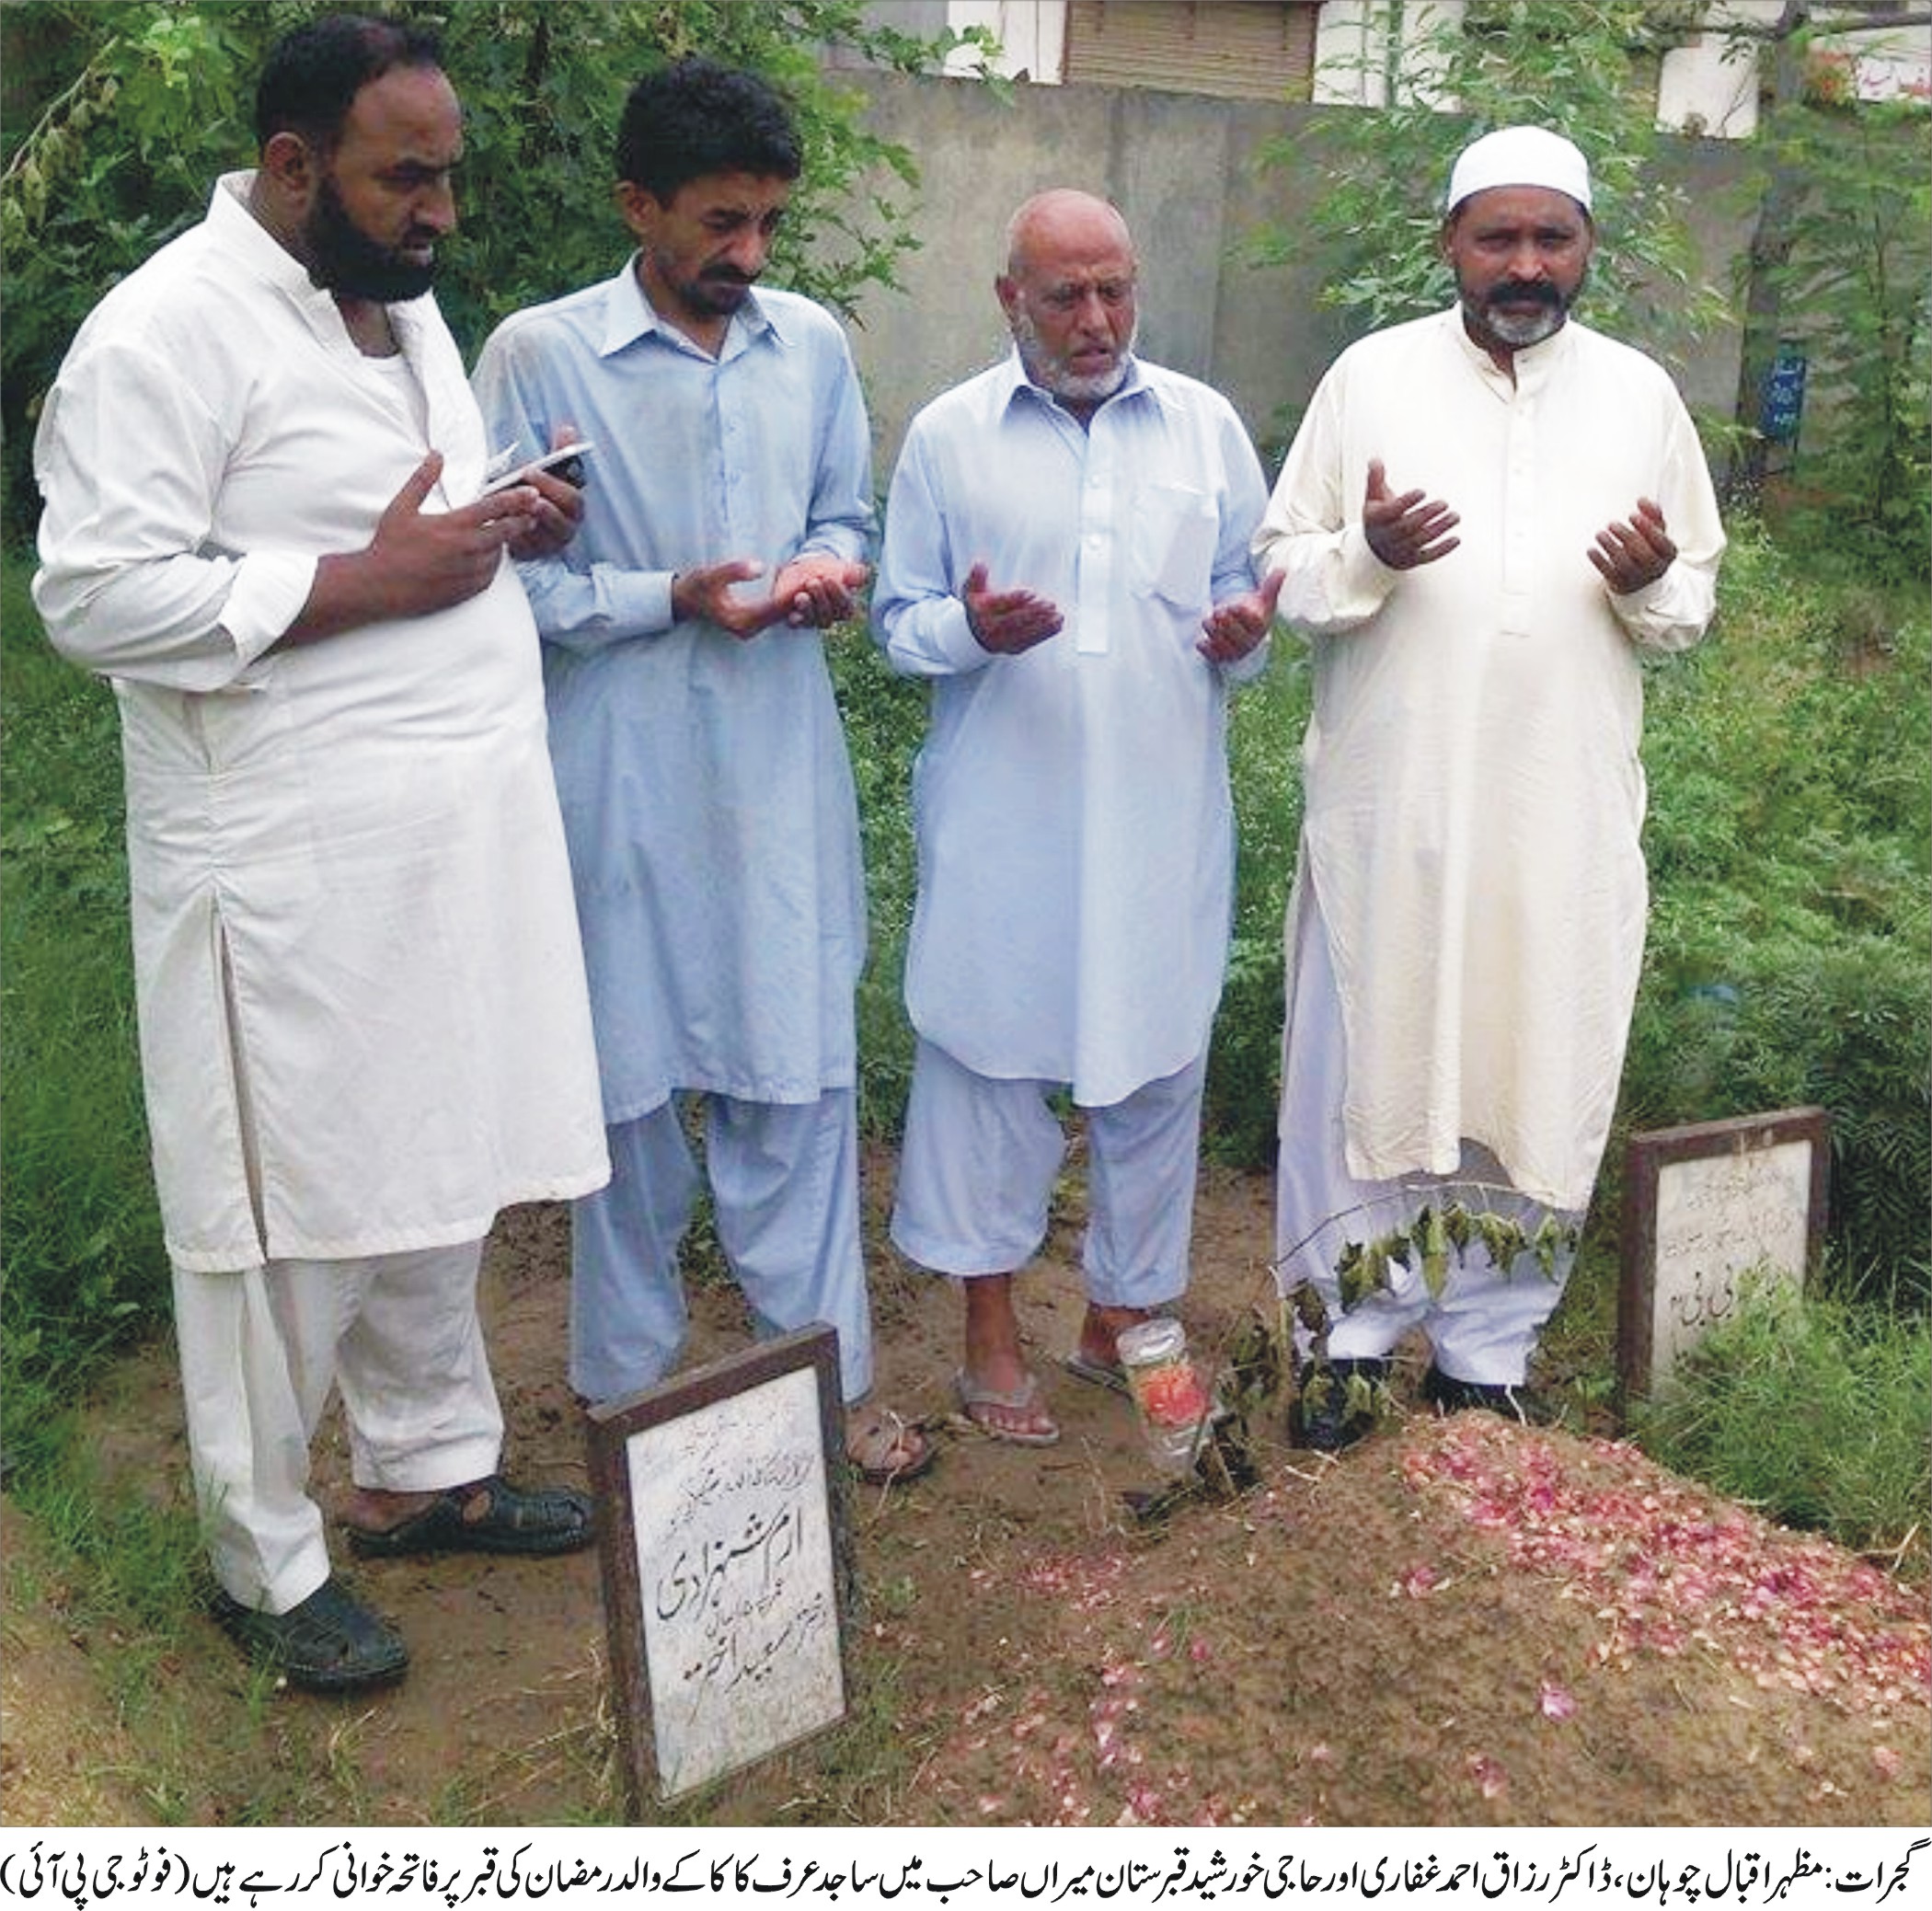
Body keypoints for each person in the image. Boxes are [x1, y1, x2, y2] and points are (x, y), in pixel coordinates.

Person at [30, 15, 612, 1691]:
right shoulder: (164, 330)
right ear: (293, 166)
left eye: (446, 176)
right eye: (403, 178)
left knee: (434, 1164)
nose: (440, 212)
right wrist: (369, 581)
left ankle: (424, 1470)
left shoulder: (398, 301)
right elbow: (92, 595)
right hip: (286, 873)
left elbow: (401, 509)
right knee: (286, 1216)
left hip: (452, 843)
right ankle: (264, 1558)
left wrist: (504, 514)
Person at [470, 58, 930, 1485]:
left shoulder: (811, 348)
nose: (752, 253)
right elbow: (494, 582)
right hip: (614, 770)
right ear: (638, 204)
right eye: (722, 222)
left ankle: (829, 1387)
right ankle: (626, 1403)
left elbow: (847, 515)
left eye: (770, 223)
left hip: (777, 764)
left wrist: (822, 573)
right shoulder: (542, 356)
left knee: (797, 1078)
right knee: (622, 1094)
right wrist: (666, 594)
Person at [1254, 126, 1726, 1447]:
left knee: (1538, 1052)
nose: (1525, 264)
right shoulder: (1371, 376)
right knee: (1370, 1056)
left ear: (1587, 248)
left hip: (1558, 808)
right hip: (1394, 804)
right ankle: (1348, 1336)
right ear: (1450, 244)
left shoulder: (1640, 396)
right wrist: (1369, 552)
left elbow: (1689, 599)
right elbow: (1281, 569)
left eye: (1551, 238)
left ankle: (1488, 1345)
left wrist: (1649, 581)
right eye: (1498, 237)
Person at [870, 189, 1281, 1445]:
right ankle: (990, 1340)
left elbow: (1246, 592)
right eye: (1065, 296)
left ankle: (1124, 1320)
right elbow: (898, 625)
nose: (1097, 320)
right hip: (1005, 818)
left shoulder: (1206, 426)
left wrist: (1244, 633)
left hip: (1160, 819)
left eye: (1116, 290)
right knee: (988, 1068)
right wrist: (971, 630)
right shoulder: (950, 435)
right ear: (1011, 299)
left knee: (1155, 1069)